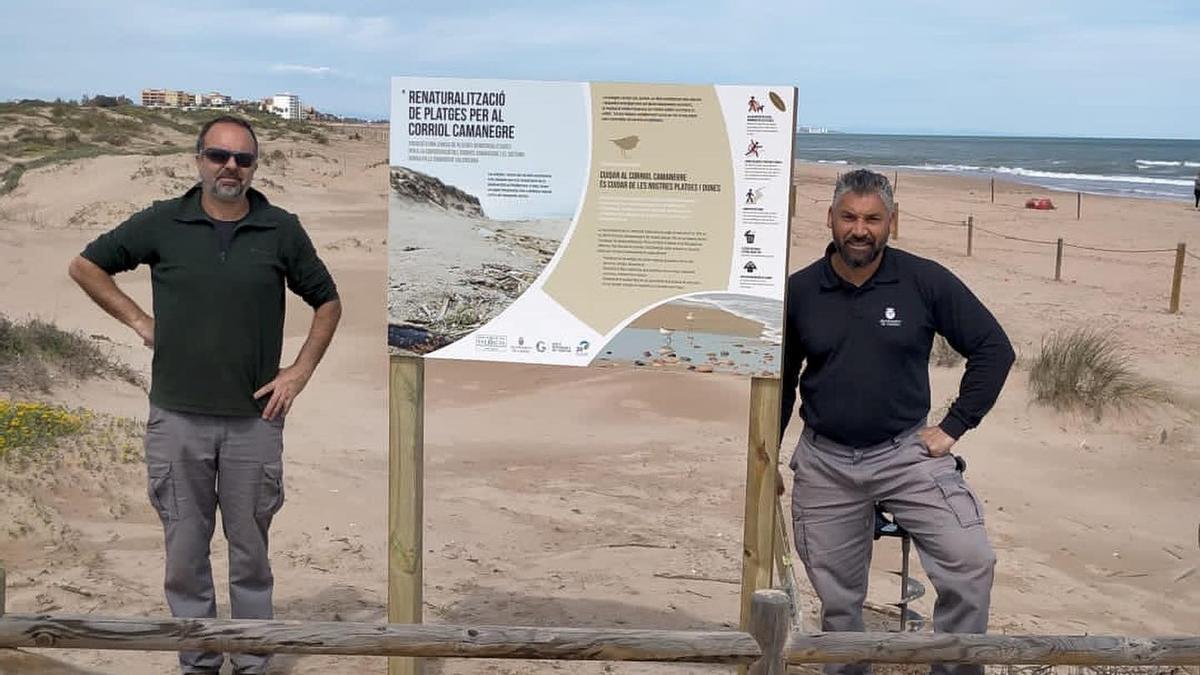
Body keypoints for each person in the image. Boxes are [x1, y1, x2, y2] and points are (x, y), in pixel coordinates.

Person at [68, 115, 342, 675]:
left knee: (250, 556)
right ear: (198, 160)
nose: (230, 168)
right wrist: (141, 321)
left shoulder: (280, 228)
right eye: (219, 156)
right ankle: (196, 660)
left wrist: (299, 372)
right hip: (177, 418)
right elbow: (86, 265)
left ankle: (250, 659)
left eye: (242, 159)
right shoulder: (164, 221)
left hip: (254, 421)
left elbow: (328, 301)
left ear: (254, 167)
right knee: (185, 555)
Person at [780, 169, 1014, 675]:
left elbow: (994, 349)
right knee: (839, 601)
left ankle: (953, 669)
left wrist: (954, 426)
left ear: (891, 222)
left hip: (907, 455)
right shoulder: (800, 291)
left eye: (872, 218)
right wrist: (766, 458)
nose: (859, 229)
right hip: (825, 461)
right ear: (830, 219)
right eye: (848, 217)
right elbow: (781, 381)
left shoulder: (923, 280)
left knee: (971, 563)